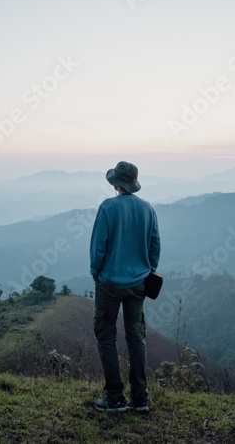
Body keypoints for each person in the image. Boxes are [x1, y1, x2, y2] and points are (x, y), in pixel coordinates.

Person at [90, 160, 160, 413]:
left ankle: (115, 399)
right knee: (136, 337)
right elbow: (154, 245)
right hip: (139, 283)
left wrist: (96, 273)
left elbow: (99, 246)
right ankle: (140, 398)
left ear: (116, 183)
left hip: (109, 283)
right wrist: (148, 270)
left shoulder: (108, 207)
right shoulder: (147, 209)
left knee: (106, 336)